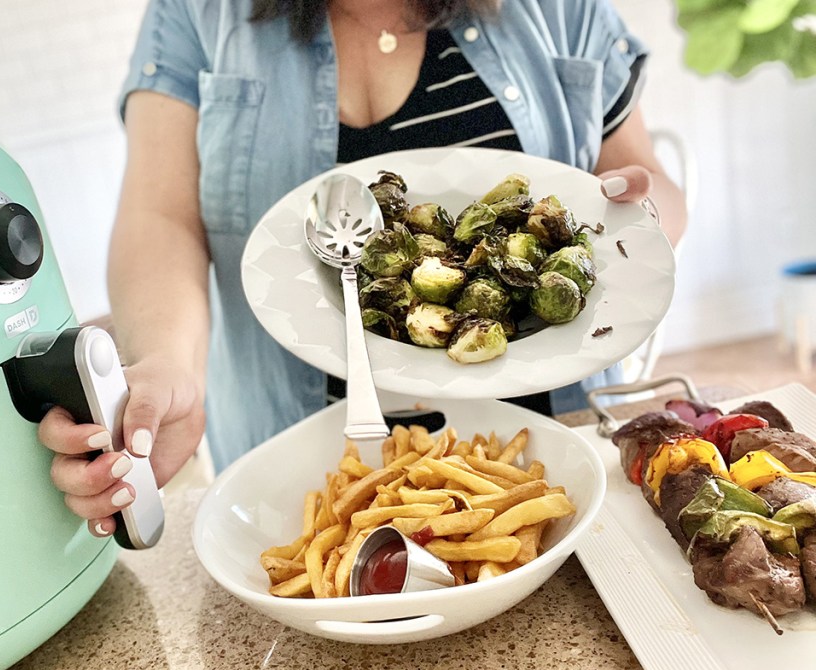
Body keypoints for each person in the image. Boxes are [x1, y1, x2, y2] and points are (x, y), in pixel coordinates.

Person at [39, 0, 687, 539]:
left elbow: (643, 177)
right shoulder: (196, 12)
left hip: (551, 473)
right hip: (317, 494)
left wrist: (641, 215)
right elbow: (161, 216)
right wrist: (166, 364)